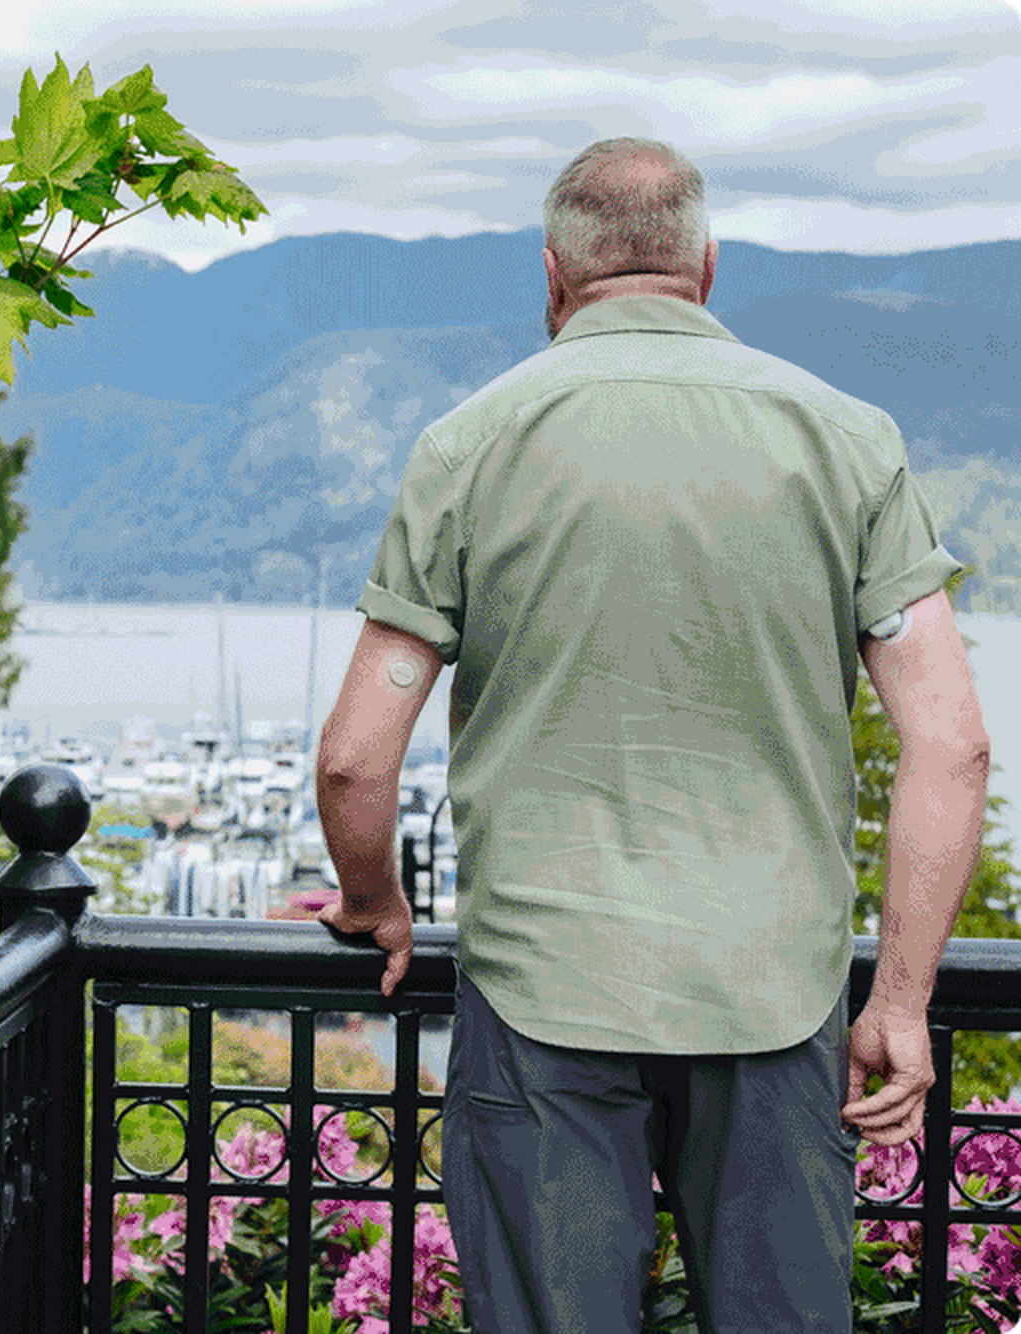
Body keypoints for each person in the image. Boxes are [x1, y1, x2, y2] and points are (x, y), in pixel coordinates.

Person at [313, 137, 991, 1333]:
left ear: (550, 273)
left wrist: (373, 898)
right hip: (772, 994)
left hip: (540, 993)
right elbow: (950, 746)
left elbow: (354, 758)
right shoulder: (846, 439)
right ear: (706, 266)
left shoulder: (467, 446)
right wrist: (896, 998)